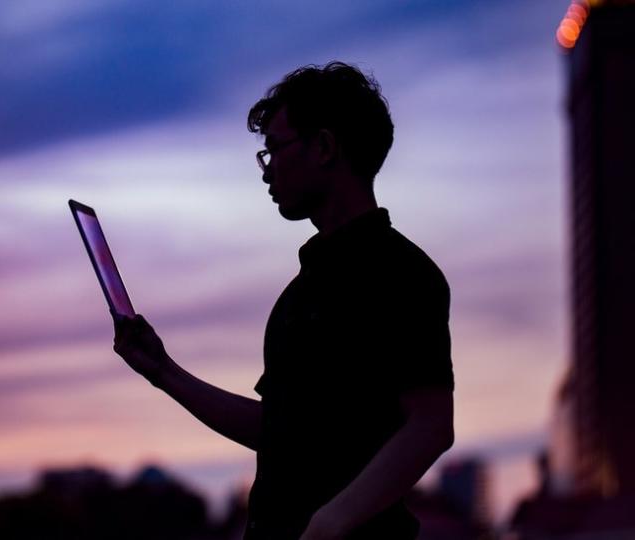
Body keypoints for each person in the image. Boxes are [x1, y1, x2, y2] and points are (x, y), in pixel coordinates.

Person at [113, 61, 455, 540]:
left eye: (274, 149)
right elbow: (279, 435)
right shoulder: (299, 295)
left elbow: (432, 426)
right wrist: (164, 372)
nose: (266, 171)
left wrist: (329, 522)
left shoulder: (404, 274)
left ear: (324, 147)